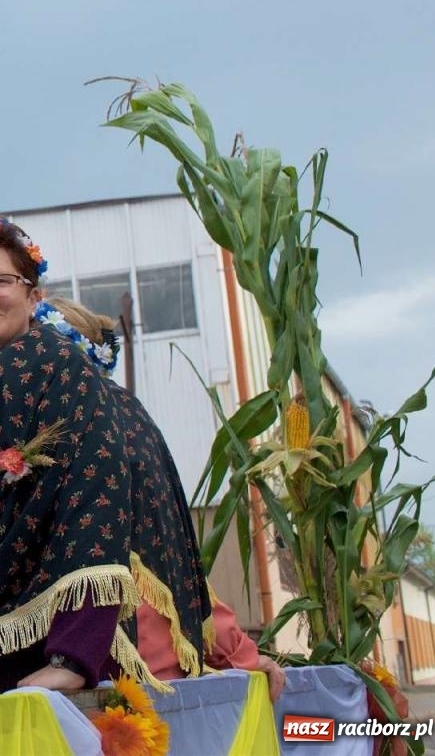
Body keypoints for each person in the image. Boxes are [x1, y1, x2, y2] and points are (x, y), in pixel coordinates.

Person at [0, 214, 208, 695]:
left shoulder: (58, 371)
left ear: (34, 297)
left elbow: (93, 504)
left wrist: (74, 657)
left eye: (0, 280)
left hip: (14, 652)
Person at [42, 297, 286, 701]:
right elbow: (174, 557)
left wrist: (237, 651)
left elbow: (155, 555)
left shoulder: (71, 421)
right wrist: (238, 651)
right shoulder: (126, 412)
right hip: (148, 669)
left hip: (111, 676)